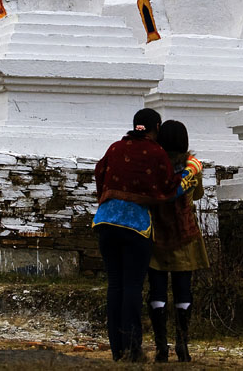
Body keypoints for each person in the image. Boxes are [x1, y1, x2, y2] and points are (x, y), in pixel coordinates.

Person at [93, 108, 180, 362]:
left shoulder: (114, 148)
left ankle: (116, 349)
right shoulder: (156, 152)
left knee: (115, 285)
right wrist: (187, 174)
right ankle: (133, 348)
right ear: (156, 128)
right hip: (135, 225)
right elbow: (167, 185)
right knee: (132, 286)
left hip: (106, 221)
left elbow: (99, 173)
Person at [147, 120, 210, 362]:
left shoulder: (153, 167)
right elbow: (198, 194)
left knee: (157, 291)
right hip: (186, 235)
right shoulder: (193, 167)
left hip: (157, 234)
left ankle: (161, 346)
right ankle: (183, 345)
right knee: (184, 291)